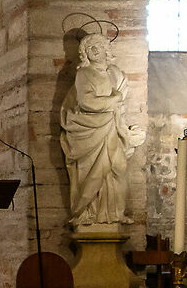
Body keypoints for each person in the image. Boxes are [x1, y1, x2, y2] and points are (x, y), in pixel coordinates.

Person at [59, 30, 141, 230]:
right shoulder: (84, 74)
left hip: (112, 127)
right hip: (89, 131)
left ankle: (115, 213)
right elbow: (86, 102)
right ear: (85, 53)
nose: (95, 50)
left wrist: (126, 128)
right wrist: (113, 99)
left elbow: (121, 99)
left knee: (118, 169)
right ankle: (86, 212)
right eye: (90, 48)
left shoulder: (116, 74)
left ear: (107, 50)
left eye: (99, 46)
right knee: (91, 172)